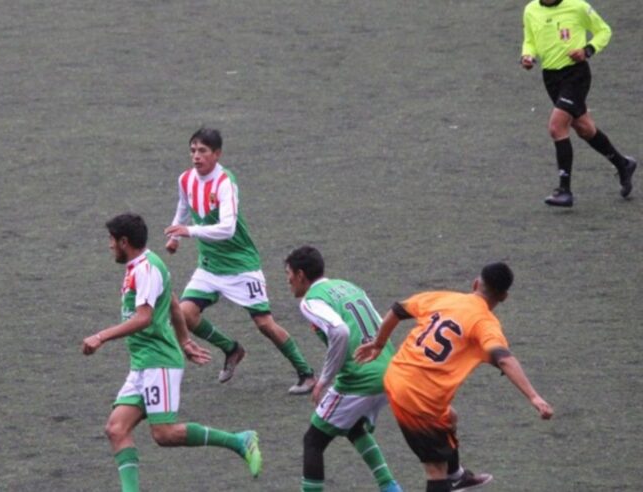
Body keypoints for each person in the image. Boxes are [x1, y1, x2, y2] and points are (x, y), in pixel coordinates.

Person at [82, 213, 262, 491]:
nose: (109, 245)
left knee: (164, 434)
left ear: (124, 241)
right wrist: (185, 341)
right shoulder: (139, 267)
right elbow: (175, 304)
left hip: (159, 363)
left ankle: (240, 441)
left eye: (111, 240)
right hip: (143, 363)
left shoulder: (146, 269)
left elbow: (144, 318)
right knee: (116, 429)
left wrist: (100, 336)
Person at [355, 263, 554, 492]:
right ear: (504, 296)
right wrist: (534, 398)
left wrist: (378, 344)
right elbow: (504, 358)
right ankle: (448, 478)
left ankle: (457, 476)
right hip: (418, 395)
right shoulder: (485, 323)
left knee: (450, 417)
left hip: (398, 374)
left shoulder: (444, 298)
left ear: (476, 283)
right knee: (435, 470)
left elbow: (398, 309)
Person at [163, 128, 316, 394]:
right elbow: (183, 207)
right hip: (210, 265)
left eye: (202, 151)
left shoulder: (225, 182)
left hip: (241, 265)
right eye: (193, 150)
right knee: (184, 315)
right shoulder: (186, 179)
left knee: (264, 324)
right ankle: (231, 349)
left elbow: (227, 229)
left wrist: (190, 231)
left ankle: (307, 374)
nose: (196, 156)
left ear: (217, 154)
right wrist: (175, 235)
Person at [284, 246, 402, 492]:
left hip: (360, 378)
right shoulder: (350, 287)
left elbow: (339, 331)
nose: (288, 281)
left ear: (301, 274)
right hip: (389, 369)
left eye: (289, 274)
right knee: (353, 426)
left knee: (313, 440)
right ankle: (390, 487)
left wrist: (324, 380)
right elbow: (381, 325)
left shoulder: (311, 301)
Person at [521, 0, 636, 207]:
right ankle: (623, 164)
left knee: (557, 126)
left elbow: (604, 31)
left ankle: (564, 190)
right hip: (551, 78)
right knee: (584, 129)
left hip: (576, 74)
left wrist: (588, 50)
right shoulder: (530, 10)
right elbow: (530, 40)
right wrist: (527, 56)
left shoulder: (578, 6)